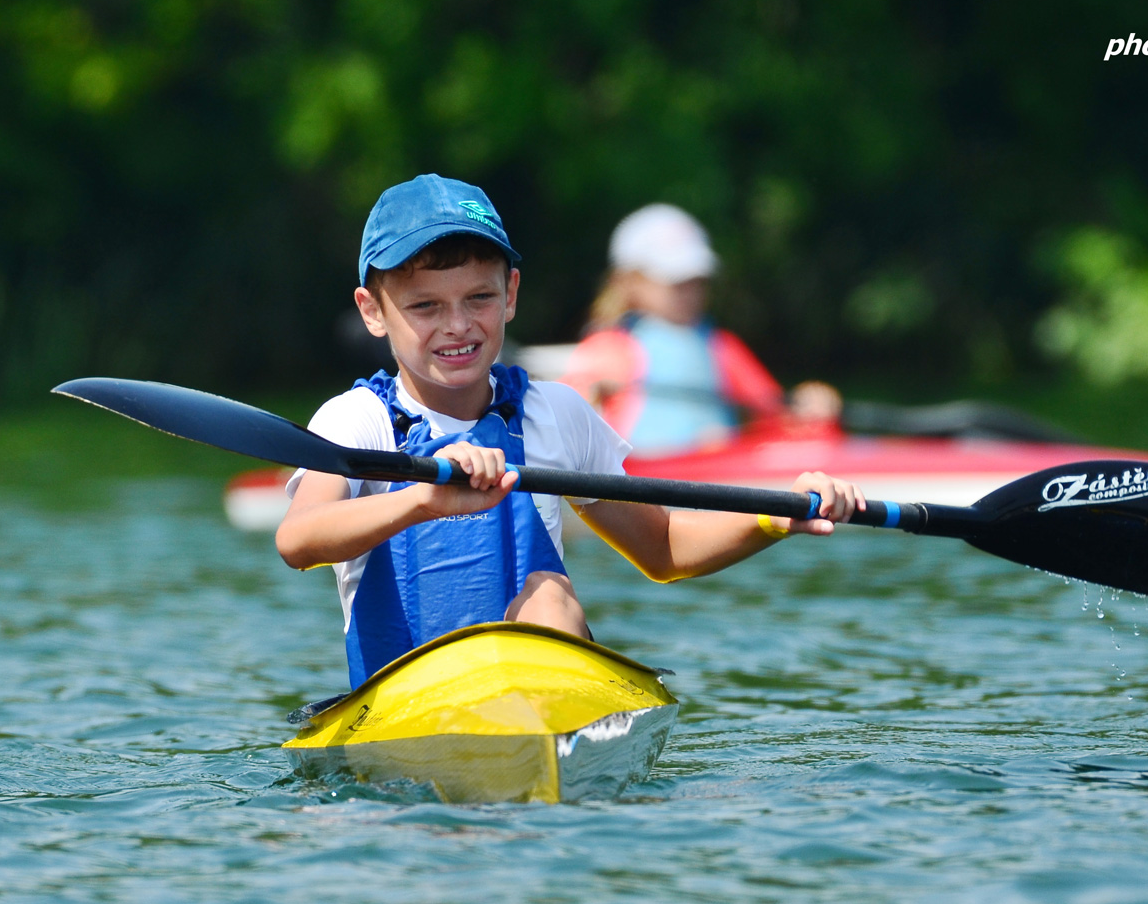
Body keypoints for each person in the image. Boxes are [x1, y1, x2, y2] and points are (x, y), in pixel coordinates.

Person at [274, 174, 864, 690]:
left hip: (540, 696)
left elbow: (661, 548)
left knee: (547, 593)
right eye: (425, 307)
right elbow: (298, 541)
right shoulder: (354, 422)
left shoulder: (557, 413)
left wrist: (773, 518)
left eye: (479, 297)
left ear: (511, 294)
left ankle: (550, 743)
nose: (457, 325)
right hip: (404, 699)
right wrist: (424, 500)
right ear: (372, 311)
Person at [559, 204, 841, 453]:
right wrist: (588, 397)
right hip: (643, 483)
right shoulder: (609, 348)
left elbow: (777, 420)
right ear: (630, 282)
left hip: (721, 475)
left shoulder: (722, 348)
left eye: (697, 281)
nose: (691, 293)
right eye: (677, 282)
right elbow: (565, 420)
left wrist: (810, 413)